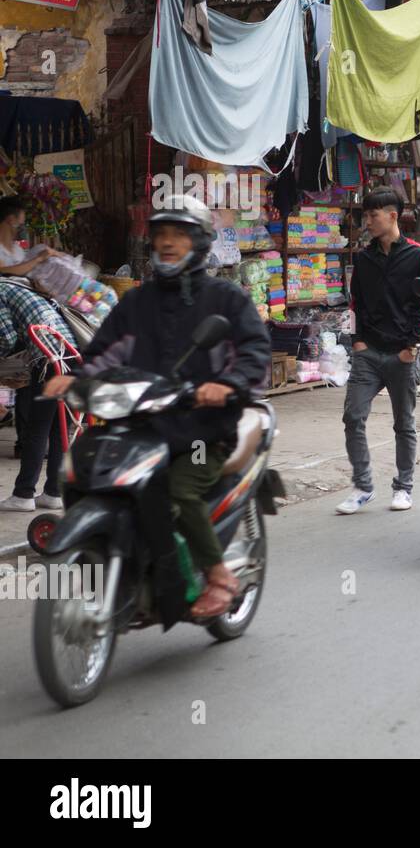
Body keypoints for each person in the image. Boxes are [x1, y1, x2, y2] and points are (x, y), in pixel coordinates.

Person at [44, 195, 272, 621]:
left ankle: (218, 574)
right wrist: (78, 377)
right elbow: (104, 352)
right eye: (161, 235)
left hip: (204, 431)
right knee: (84, 470)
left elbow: (255, 351)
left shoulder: (226, 299)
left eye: (179, 235)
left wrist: (226, 385)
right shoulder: (136, 302)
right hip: (142, 424)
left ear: (199, 243)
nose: (167, 243)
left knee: (180, 489)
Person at [337, 187, 420, 516]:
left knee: (404, 423)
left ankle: (404, 486)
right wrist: (356, 342)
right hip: (368, 352)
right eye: (366, 215)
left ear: (393, 216)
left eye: (372, 215)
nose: (368, 220)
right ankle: (363, 486)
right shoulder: (364, 258)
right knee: (353, 416)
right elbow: (355, 304)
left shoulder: (419, 255)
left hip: (401, 355)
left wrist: (411, 346)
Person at [0, 280, 72, 512]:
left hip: (51, 361)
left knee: (36, 429)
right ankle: (53, 492)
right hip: (74, 359)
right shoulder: (15, 287)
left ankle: (23, 494)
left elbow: (7, 339)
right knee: (59, 430)